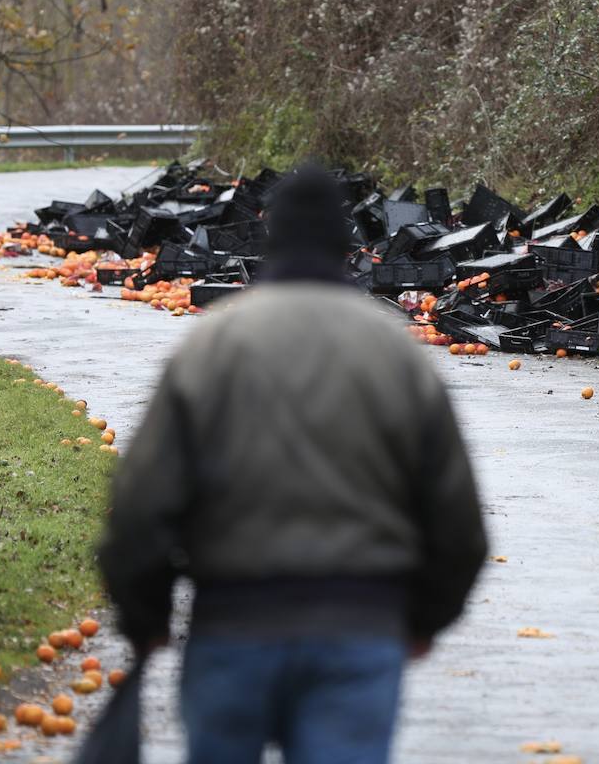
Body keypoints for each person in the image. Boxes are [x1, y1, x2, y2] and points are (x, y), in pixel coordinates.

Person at [97, 162, 487, 764]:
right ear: (346, 246)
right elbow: (456, 518)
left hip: (234, 625)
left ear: (270, 239)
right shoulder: (396, 352)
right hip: (358, 633)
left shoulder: (211, 346)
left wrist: (143, 614)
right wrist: (423, 620)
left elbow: (142, 504)